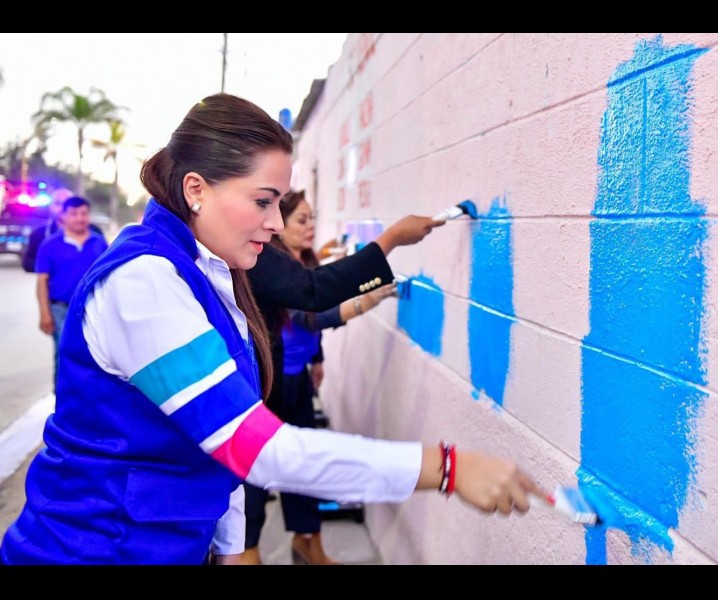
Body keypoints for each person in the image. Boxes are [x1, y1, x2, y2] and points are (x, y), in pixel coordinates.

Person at [0, 92, 545, 566]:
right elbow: (258, 449)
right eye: (263, 201)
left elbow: (221, 444)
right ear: (196, 189)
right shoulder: (143, 284)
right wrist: (445, 468)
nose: (276, 223)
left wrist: (231, 547)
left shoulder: (209, 271)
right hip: (93, 550)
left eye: (280, 204)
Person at [266, 190, 399, 565]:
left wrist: (318, 358)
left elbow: (310, 326)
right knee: (278, 464)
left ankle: (307, 542)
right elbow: (312, 316)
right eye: (301, 220)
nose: (310, 227)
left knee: (302, 465)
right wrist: (367, 299)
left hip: (298, 375)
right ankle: (255, 549)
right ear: (280, 225)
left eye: (312, 218)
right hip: (276, 382)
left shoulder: (303, 261)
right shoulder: (274, 268)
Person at [34, 195, 109, 389]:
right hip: (61, 309)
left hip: (91, 308)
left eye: (84, 213)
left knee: (93, 355)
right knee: (64, 353)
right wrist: (45, 313)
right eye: (74, 214)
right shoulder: (50, 244)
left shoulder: (99, 242)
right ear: (63, 216)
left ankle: (86, 398)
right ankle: (61, 399)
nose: (79, 218)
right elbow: (42, 281)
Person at [22, 187, 105, 273]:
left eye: (67, 203)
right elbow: (27, 263)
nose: (62, 207)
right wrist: (52, 266)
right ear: (50, 206)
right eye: (58, 203)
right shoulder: (39, 233)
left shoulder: (95, 233)